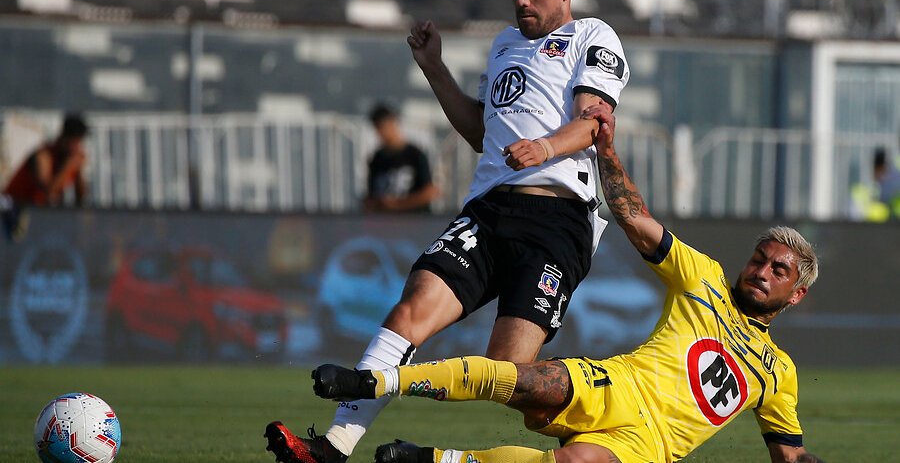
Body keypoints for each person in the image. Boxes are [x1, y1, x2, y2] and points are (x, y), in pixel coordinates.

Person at [307, 102, 826, 463]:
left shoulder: (779, 373)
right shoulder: (704, 277)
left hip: (649, 448)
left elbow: (790, 454)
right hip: (617, 389)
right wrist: (606, 151)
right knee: (524, 377)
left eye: (778, 270)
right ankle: (375, 382)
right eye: (760, 258)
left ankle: (435, 458)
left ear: (796, 294)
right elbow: (633, 217)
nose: (761, 270)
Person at [264, 0, 630, 461]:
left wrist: (544, 148)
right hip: (487, 210)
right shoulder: (503, 45)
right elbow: (481, 133)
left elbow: (595, 122)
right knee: (411, 306)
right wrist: (434, 68)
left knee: (506, 369)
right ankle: (332, 446)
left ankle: (603, 419)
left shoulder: (594, 36)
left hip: (555, 218)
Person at [1, 113, 89, 241]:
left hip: (37, 217)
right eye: (74, 142)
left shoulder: (73, 158)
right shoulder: (44, 156)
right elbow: (48, 192)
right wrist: (68, 166)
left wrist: (79, 171)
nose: (76, 147)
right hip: (13, 212)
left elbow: (81, 197)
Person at [364, 104, 440, 213]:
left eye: (383, 127)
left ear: (393, 123)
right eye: (377, 128)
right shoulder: (376, 159)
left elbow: (430, 192)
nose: (381, 133)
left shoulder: (415, 155)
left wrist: (398, 204)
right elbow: (371, 197)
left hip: (415, 222)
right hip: (386, 224)